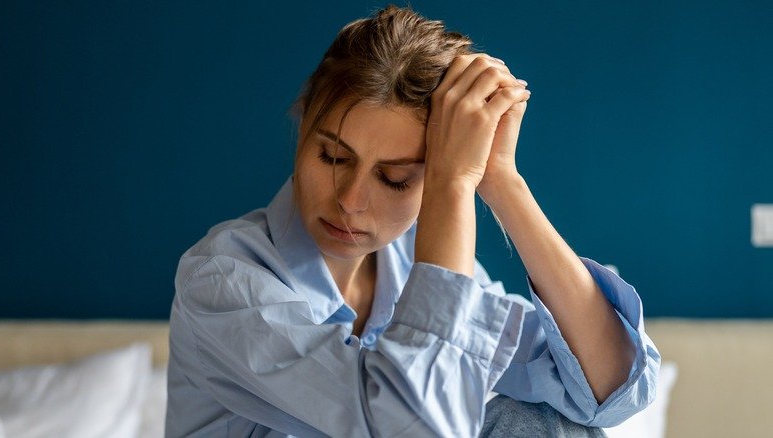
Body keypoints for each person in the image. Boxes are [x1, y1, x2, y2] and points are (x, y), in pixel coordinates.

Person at [166, 5, 660, 437]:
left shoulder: (408, 268)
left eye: (396, 179)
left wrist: (500, 180)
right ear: (302, 126)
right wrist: (449, 188)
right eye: (333, 158)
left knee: (550, 424)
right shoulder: (224, 280)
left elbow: (608, 388)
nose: (352, 201)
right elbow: (416, 428)